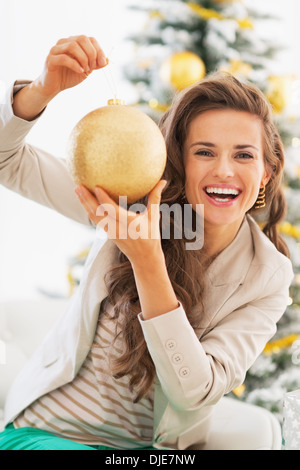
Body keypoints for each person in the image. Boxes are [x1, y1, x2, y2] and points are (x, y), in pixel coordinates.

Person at [0, 35, 294, 451]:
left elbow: (195, 392)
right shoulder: (131, 206)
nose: (225, 170)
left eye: (244, 155)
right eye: (204, 152)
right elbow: (5, 160)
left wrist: (148, 264)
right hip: (48, 433)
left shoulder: (267, 277)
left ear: (265, 173)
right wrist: (41, 89)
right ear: (180, 161)